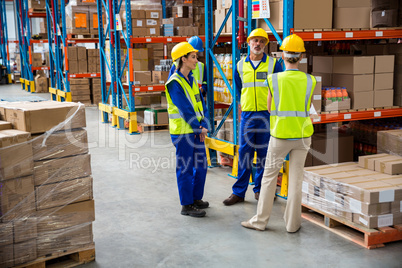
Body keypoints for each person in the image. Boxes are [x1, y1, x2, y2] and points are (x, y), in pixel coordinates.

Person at [241, 34, 316, 232]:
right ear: (301, 57)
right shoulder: (310, 81)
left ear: (282, 55)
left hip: (280, 135)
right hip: (302, 136)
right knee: (296, 179)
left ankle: (260, 221)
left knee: (268, 177)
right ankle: (292, 224)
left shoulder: (273, 79)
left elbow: (269, 108)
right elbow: (307, 107)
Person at [223, 28, 283, 206]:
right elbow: (240, 89)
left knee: (265, 155)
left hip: (266, 115)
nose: (258, 44)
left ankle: (260, 191)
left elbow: (279, 90)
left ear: (265, 44)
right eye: (254, 40)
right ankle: (239, 192)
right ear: (249, 43)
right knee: (245, 155)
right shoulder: (240, 65)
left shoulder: (274, 65)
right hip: (248, 116)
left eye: (261, 41)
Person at [165, 42, 210, 217]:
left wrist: (204, 124)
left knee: (201, 166)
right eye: (193, 57)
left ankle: (196, 198)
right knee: (185, 167)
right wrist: (198, 128)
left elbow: (201, 104)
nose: (196, 60)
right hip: (183, 133)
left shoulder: (192, 79)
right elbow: (184, 109)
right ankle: (187, 204)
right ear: (183, 59)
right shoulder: (174, 83)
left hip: (196, 130)